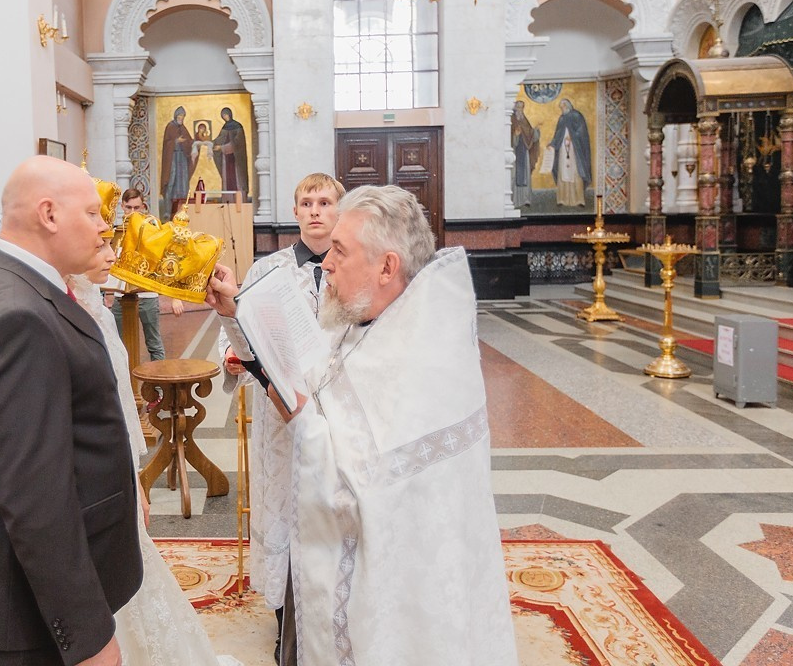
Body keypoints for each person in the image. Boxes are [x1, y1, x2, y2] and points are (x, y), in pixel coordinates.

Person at [206, 185, 518, 666]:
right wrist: (236, 314)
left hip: (399, 602)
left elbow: (373, 491)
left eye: (340, 251)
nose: (326, 263)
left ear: (387, 267)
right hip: (321, 556)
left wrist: (303, 418)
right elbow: (292, 367)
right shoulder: (354, 318)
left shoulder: (427, 356)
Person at [0, 156, 143, 666]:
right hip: (24, 616)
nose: (105, 227)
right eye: (93, 214)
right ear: (49, 214)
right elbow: (36, 499)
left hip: (14, 594)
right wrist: (88, 636)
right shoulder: (17, 317)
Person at [68, 247, 240, 666]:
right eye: (100, 238)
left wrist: (132, 477)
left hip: (110, 472)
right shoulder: (58, 305)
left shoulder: (93, 302)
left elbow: (116, 398)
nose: (112, 251)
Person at [217, 173, 343, 664]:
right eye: (306, 202)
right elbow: (240, 329)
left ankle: (330, 611)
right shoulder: (268, 270)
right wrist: (231, 354)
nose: (315, 211)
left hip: (332, 418)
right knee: (283, 515)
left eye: (325, 202)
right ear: (295, 212)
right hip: (280, 419)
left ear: (339, 209)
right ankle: (283, 624)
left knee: (329, 514)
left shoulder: (348, 265)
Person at [108, 189, 183, 361]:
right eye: (129, 208)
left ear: (143, 207)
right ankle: (124, 385)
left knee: (154, 344)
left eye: (137, 208)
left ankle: (157, 386)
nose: (133, 212)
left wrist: (175, 297)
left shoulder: (152, 231)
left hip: (147, 296)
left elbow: (167, 262)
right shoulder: (115, 232)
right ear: (122, 207)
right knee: (117, 344)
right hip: (121, 296)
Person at [549, 98, 592, 207]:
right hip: (563, 150)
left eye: (562, 106)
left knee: (576, 171)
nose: (561, 109)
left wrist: (573, 137)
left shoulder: (577, 116)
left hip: (575, 150)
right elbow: (558, 134)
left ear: (567, 105)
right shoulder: (562, 118)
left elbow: (582, 131)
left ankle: (578, 200)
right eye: (560, 107)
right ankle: (562, 199)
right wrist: (552, 144)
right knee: (563, 171)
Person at [159, 106, 192, 217]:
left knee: (183, 183)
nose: (181, 119)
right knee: (170, 182)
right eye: (179, 116)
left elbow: (189, 141)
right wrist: (176, 141)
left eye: (182, 117)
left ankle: (183, 210)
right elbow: (167, 143)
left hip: (182, 159)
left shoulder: (183, 128)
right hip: (172, 159)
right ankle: (168, 210)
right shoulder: (170, 127)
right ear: (175, 116)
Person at [212, 107, 249, 198]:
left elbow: (238, 143)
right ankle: (228, 198)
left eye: (226, 115)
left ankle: (240, 198)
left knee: (237, 179)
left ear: (230, 114)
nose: (225, 117)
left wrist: (222, 147)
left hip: (236, 158)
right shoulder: (225, 127)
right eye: (223, 116)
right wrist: (210, 143)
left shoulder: (238, 126)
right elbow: (220, 139)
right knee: (228, 179)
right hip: (226, 158)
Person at [510, 100, 539, 207]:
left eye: (522, 107)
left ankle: (526, 199)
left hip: (524, 152)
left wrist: (535, 131)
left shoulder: (524, 121)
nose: (520, 109)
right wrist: (516, 136)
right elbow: (508, 139)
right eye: (518, 107)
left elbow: (531, 135)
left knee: (525, 175)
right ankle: (515, 200)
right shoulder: (511, 121)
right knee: (514, 175)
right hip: (514, 153)